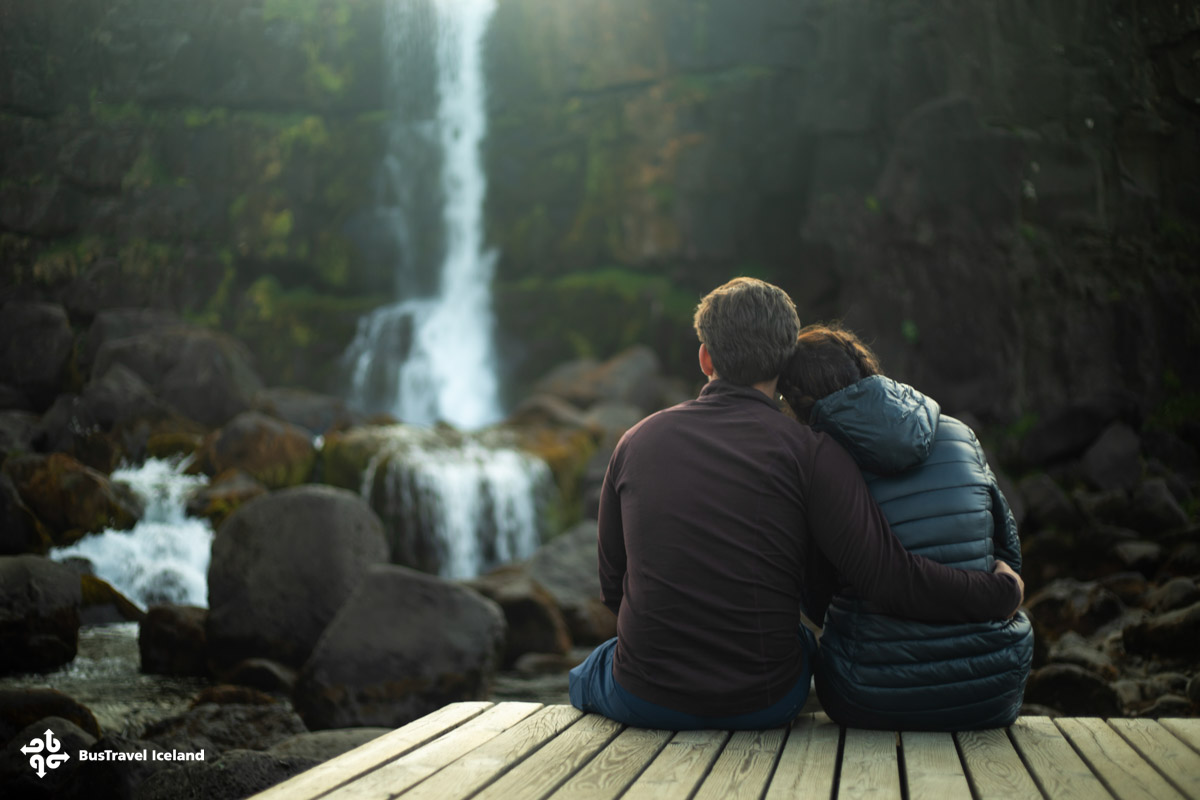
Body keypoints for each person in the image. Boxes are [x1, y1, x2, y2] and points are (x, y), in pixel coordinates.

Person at [568, 277, 1024, 730]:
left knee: (587, 673)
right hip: (764, 701)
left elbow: (613, 588)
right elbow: (888, 575)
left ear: (706, 357)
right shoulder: (813, 452)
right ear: (787, 359)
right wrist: (1000, 592)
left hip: (646, 697)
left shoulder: (635, 441)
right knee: (804, 642)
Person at [779, 323, 1034, 730]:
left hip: (869, 694)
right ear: (865, 367)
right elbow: (1008, 552)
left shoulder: (819, 465)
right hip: (991, 689)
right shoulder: (959, 432)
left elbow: (816, 598)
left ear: (795, 400)